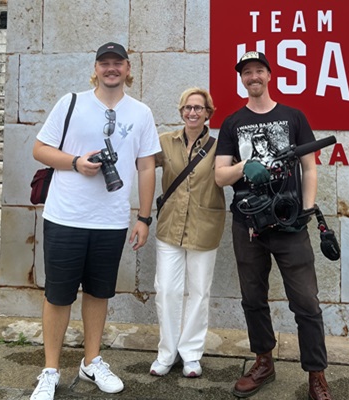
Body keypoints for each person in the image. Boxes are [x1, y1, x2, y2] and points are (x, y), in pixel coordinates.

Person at [30, 41, 160, 400]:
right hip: (66, 217)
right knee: (58, 295)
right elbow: (39, 149)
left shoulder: (141, 112)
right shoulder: (71, 102)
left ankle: (92, 361)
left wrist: (144, 217)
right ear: (96, 68)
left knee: (99, 293)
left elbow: (147, 166)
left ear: (128, 69)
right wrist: (75, 162)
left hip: (112, 221)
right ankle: (51, 370)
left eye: (118, 63)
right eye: (105, 63)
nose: (111, 68)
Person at [214, 51, 333, 400]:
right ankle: (263, 361)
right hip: (247, 224)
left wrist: (307, 211)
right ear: (242, 78)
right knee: (253, 298)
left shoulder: (293, 117)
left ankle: (316, 375)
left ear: (269, 75)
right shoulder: (233, 122)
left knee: (306, 303)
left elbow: (309, 168)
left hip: (291, 224)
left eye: (258, 71)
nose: (253, 77)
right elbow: (220, 174)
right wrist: (243, 167)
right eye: (246, 72)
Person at [150, 88, 226, 378]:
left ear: (208, 112)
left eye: (198, 108)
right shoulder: (164, 142)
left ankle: (191, 355)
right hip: (170, 227)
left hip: (205, 227)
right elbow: (141, 164)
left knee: (198, 292)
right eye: (187, 107)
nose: (192, 112)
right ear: (180, 111)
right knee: (167, 290)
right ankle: (167, 353)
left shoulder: (220, 146)